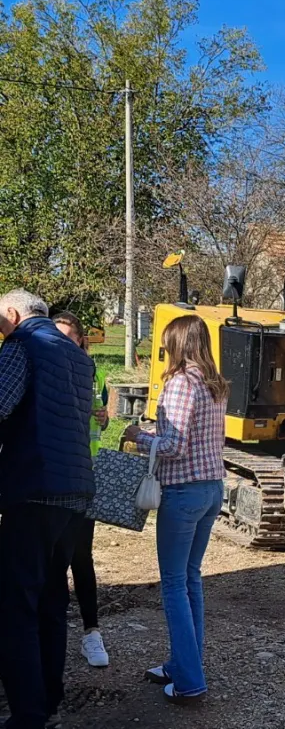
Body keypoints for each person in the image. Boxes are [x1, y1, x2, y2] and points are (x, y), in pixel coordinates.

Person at [0, 289, 95, 729]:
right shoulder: (78, 357)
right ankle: (49, 697)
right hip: (75, 493)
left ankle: (28, 714)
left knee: (16, 604)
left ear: (13, 313)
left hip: (34, 487)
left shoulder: (23, 344)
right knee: (52, 600)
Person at [124, 315, 227, 707]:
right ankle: (184, 666)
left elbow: (175, 445)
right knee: (189, 579)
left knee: (173, 584)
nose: (164, 349)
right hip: (211, 488)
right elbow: (192, 438)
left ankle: (189, 682)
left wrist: (139, 436)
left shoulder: (182, 382)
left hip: (183, 492)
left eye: (167, 343)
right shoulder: (215, 383)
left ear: (179, 344)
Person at [52, 311, 110, 668]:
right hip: (51, 481)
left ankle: (92, 632)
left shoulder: (94, 373)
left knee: (81, 556)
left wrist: (104, 417)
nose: (61, 344)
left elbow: (102, 418)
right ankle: (53, 635)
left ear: (80, 340)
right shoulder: (46, 372)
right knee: (53, 560)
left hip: (84, 476)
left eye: (68, 337)